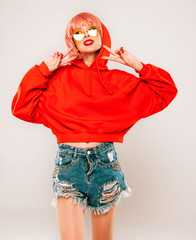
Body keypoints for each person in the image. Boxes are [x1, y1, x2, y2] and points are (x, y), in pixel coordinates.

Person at [11, 12, 178, 240]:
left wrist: (137, 65)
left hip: (105, 164)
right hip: (69, 165)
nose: (86, 35)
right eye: (78, 32)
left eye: (92, 30)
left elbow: (166, 91)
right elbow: (21, 107)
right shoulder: (58, 79)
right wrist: (43, 70)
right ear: (72, 41)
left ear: (102, 35)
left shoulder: (118, 81)